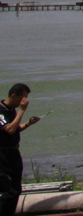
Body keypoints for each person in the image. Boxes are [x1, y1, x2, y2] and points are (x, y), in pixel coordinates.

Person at [0, 84, 41, 216]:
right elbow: (9, 129)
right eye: (23, 98)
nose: (25, 102)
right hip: (4, 153)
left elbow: (15, 128)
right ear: (14, 96)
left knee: (15, 187)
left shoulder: (12, 110)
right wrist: (22, 111)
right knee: (10, 189)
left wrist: (28, 123)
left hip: (14, 151)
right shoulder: (1, 110)